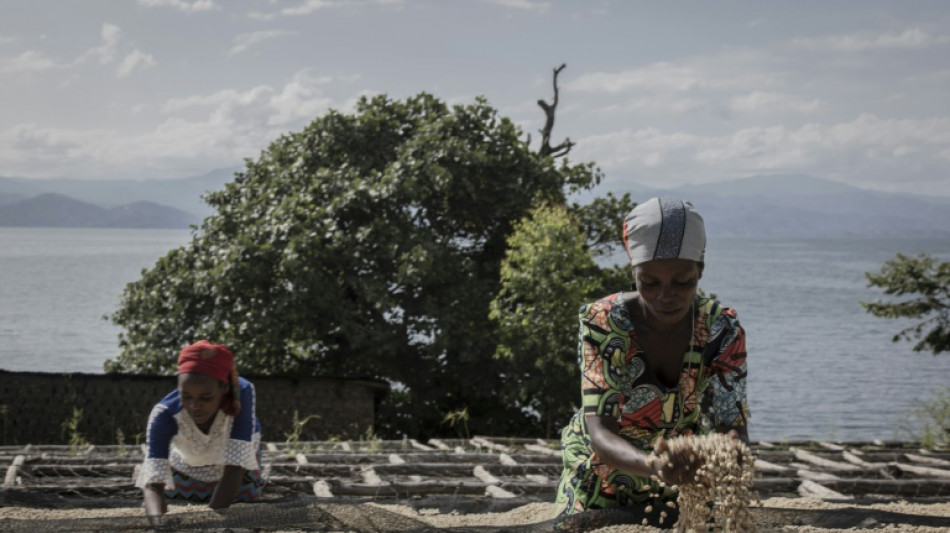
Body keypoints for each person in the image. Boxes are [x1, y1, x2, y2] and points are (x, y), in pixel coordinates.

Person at [554, 198, 749, 527]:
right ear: (633, 271)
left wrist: (728, 452)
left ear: (700, 270)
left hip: (683, 474)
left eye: (683, 281)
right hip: (603, 473)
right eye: (650, 282)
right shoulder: (604, 323)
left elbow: (732, 424)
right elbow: (600, 432)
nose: (666, 296)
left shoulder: (721, 330)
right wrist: (654, 465)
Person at [136, 340, 264, 521]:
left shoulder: (241, 394)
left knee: (245, 502)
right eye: (186, 396)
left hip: (235, 468)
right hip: (188, 464)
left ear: (224, 389)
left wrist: (208, 521)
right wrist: (159, 525)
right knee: (173, 499)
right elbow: (153, 484)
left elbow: (235, 468)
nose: (195, 406)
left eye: (206, 398)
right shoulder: (164, 415)